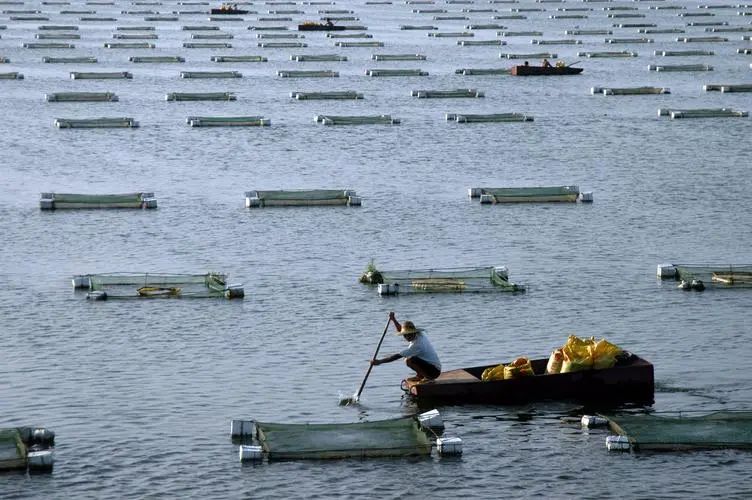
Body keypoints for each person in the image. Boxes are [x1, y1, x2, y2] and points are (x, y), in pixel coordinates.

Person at [371, 312, 441, 382]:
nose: (407, 337)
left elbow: (397, 356)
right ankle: (420, 376)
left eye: (409, 335)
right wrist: (393, 319)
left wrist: (380, 361)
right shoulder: (419, 334)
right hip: (431, 367)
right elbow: (400, 330)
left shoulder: (417, 345)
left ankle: (428, 378)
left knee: (409, 360)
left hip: (434, 372)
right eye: (405, 335)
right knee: (409, 359)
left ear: (414, 332)